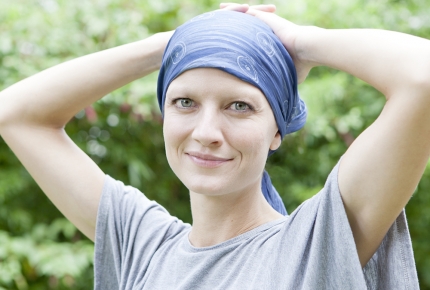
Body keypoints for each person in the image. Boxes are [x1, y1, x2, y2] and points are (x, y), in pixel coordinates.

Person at [0, 2, 428, 289]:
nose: (206, 131)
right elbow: (15, 114)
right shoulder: (141, 245)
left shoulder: (316, 245)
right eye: (184, 101)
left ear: (276, 129)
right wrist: (172, 45)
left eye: (239, 106)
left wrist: (299, 42)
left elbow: (422, 78)